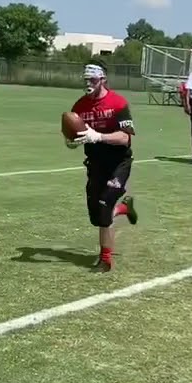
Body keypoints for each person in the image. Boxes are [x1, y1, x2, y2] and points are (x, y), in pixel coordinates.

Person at [67, 63, 139, 272]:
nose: (89, 83)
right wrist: (71, 141)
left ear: (103, 80)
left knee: (105, 203)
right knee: (97, 215)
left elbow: (125, 138)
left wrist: (98, 136)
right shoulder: (79, 106)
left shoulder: (117, 103)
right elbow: (72, 135)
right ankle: (124, 208)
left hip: (118, 162)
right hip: (96, 163)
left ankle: (105, 259)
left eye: (93, 79)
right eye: (86, 79)